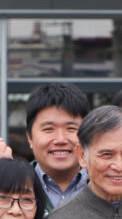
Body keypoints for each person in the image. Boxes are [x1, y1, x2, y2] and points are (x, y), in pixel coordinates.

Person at [23, 82, 90, 210]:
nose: (60, 140)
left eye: (71, 128)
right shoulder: (14, 187)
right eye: (48, 129)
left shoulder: (105, 187)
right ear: (30, 138)